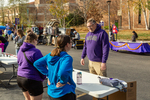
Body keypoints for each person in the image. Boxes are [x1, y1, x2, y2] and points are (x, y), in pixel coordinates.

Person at [34, 35, 76, 100]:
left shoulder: (51, 55)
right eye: (71, 42)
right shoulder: (67, 58)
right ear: (67, 44)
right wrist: (63, 82)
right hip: (64, 93)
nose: (71, 44)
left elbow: (37, 63)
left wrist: (48, 74)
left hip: (51, 92)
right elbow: (62, 73)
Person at [17, 31, 46, 100]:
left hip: (20, 78)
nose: (37, 42)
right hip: (32, 79)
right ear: (33, 40)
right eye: (37, 40)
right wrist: (43, 77)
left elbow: (19, 62)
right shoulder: (36, 51)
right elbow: (42, 66)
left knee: (27, 99)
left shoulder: (20, 50)